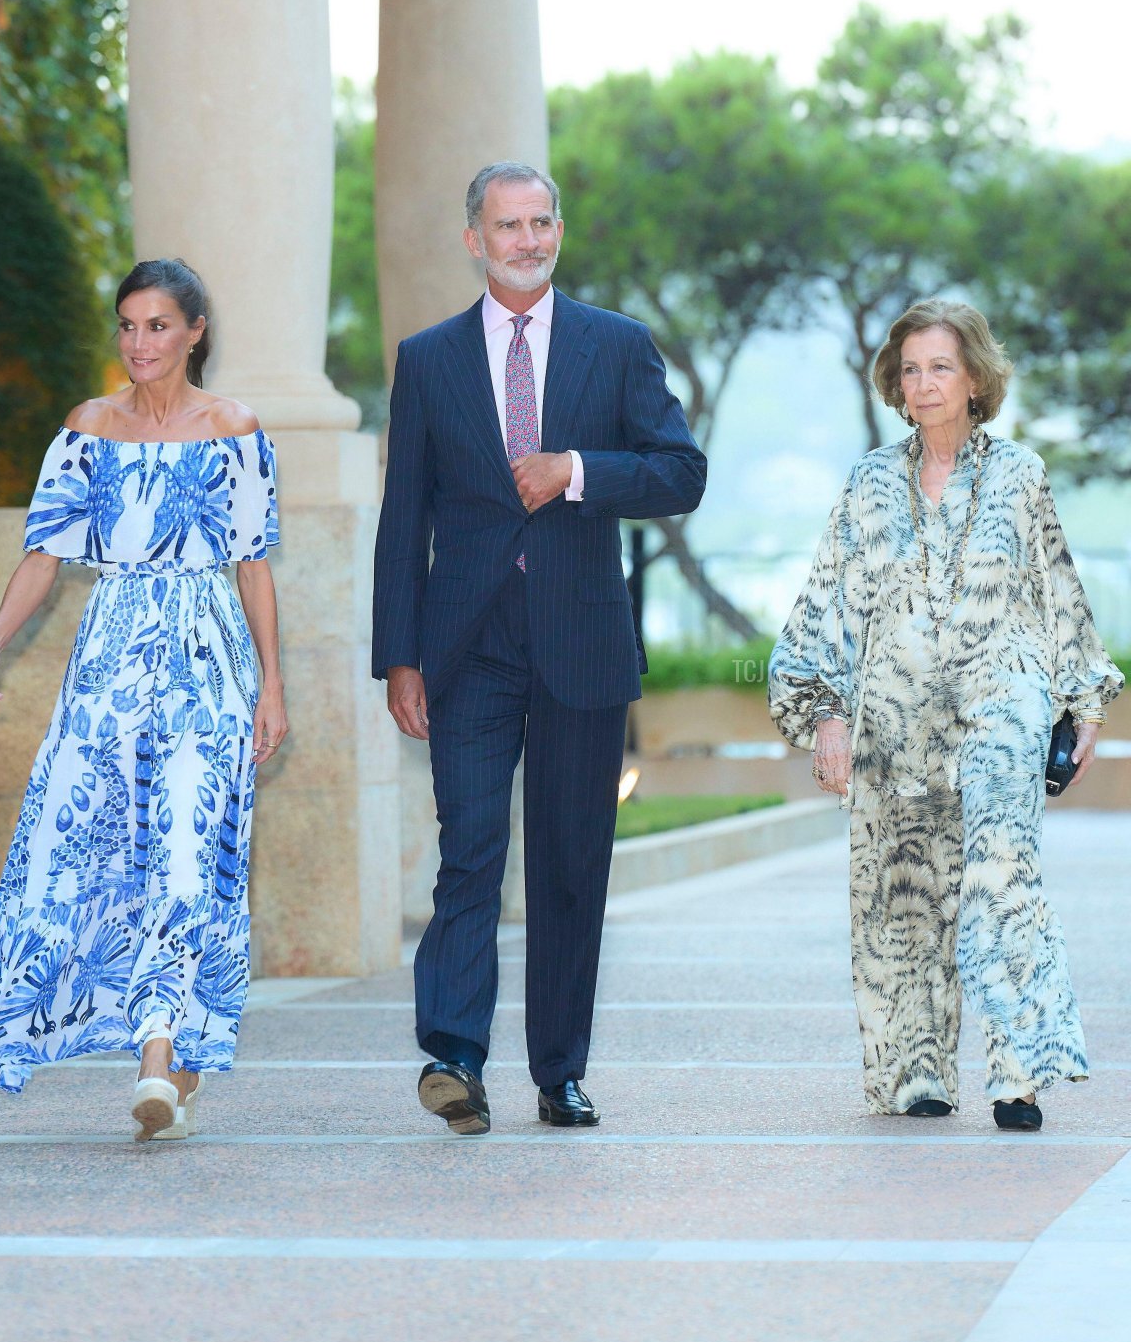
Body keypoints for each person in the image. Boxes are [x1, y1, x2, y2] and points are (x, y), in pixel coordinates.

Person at [373, 161, 706, 1134]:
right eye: (508, 225)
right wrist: (399, 656)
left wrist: (577, 470)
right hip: (466, 648)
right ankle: (454, 1056)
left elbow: (681, 473)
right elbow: (404, 519)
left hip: (581, 641)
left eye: (541, 223)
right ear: (474, 239)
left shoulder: (618, 344)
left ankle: (559, 1072)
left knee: (569, 864)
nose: (527, 240)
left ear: (559, 230)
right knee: (470, 851)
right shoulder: (428, 359)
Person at [769, 299, 1123, 1130]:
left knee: (1003, 877)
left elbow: (1059, 589)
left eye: (942, 367)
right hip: (895, 722)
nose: (925, 384)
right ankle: (916, 1070)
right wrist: (826, 715)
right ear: (896, 384)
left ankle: (1017, 1074)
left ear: (975, 379)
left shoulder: (1020, 475)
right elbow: (823, 605)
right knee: (902, 893)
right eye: (911, 370)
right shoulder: (867, 482)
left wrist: (1085, 702)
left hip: (1004, 704)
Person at [0, 258, 286, 1141]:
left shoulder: (234, 429)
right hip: (110, 666)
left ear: (195, 332)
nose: (139, 343)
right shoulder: (89, 427)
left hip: (208, 664)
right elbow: (44, 554)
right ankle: (170, 1057)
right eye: (128, 325)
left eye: (158, 325)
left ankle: (157, 1053)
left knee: (188, 856)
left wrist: (271, 687)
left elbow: (253, 567)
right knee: (90, 852)